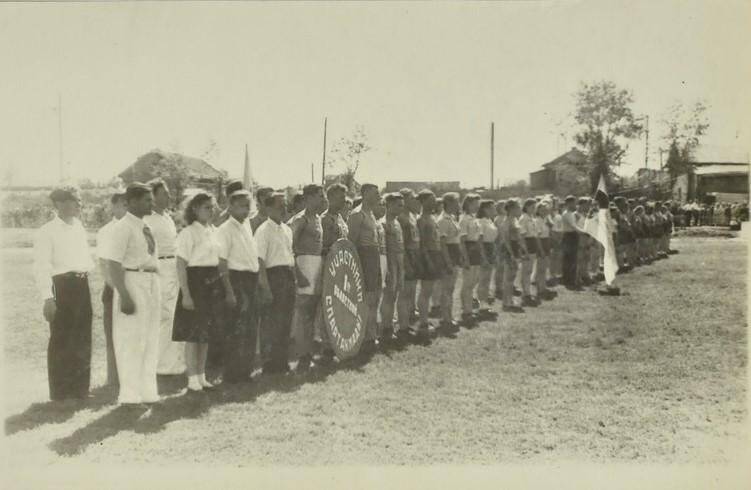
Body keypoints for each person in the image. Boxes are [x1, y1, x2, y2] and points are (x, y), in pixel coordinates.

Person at [101, 183, 161, 405]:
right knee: (132, 340)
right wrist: (125, 295)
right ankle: (129, 395)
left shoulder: (146, 227)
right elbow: (113, 265)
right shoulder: (123, 227)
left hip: (151, 281)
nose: (151, 203)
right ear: (132, 202)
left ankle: (148, 392)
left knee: (150, 338)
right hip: (132, 281)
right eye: (147, 200)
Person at [33, 186, 95, 402]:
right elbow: (41, 266)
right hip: (61, 286)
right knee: (62, 338)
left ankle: (80, 389)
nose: (79, 204)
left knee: (82, 337)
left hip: (81, 285)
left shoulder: (78, 227)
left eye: (79, 200)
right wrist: (47, 297)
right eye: (74, 200)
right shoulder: (47, 231)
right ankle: (60, 393)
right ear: (59, 203)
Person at [172, 192, 223, 392]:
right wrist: (186, 294)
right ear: (195, 209)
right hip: (195, 282)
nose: (211, 212)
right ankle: (192, 377)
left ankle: (202, 376)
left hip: (212, 281)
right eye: (206, 208)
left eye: (212, 208)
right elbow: (181, 264)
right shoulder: (188, 233)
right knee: (193, 334)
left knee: (206, 333)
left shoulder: (213, 231)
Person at [216, 190, 260, 383]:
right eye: (242, 206)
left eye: (247, 206)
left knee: (250, 327)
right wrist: (229, 290)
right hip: (236, 279)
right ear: (231, 206)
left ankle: (245, 371)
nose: (245, 210)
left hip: (250, 279)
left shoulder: (246, 226)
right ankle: (233, 373)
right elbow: (222, 261)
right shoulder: (225, 229)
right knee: (236, 328)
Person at [143, 179, 185, 377]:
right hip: (159, 267)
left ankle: (174, 362)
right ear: (153, 196)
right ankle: (161, 365)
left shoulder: (167, 217)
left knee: (173, 315)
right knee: (164, 316)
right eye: (164, 193)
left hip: (173, 266)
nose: (168, 196)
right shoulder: (147, 220)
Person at [255, 193, 296, 374]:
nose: (284, 209)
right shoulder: (263, 231)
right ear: (269, 208)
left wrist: (294, 277)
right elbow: (260, 261)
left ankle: (282, 361)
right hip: (272, 277)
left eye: (285, 205)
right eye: (280, 206)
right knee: (271, 321)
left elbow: (290, 256)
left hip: (287, 276)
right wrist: (265, 287)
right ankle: (269, 363)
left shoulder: (287, 230)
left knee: (286, 321)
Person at [289, 184, 325, 373]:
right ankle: (302, 356)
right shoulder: (300, 219)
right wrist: (298, 274)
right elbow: (289, 248)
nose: (322, 198)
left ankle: (309, 353)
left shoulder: (317, 218)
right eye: (319, 195)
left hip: (316, 266)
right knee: (303, 314)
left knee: (312, 313)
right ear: (309, 197)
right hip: (303, 266)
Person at [96, 190, 127, 386]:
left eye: (128, 204)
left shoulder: (136, 227)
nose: (126, 209)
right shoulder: (107, 231)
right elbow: (104, 263)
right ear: (113, 207)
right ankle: (114, 377)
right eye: (122, 205)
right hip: (114, 288)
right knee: (114, 333)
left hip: (133, 286)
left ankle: (130, 375)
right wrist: (116, 288)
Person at [347, 183, 382, 355]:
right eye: (375, 193)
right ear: (365, 193)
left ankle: (371, 334)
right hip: (364, 256)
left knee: (374, 297)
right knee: (366, 298)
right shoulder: (357, 214)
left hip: (374, 256)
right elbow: (351, 243)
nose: (378, 196)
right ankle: (363, 337)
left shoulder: (371, 213)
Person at [319, 183, 350, 360]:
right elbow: (323, 246)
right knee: (328, 306)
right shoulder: (324, 219)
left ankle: (337, 341)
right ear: (330, 198)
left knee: (340, 304)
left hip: (342, 267)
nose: (343, 201)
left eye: (344, 198)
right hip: (328, 266)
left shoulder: (341, 219)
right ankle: (326, 346)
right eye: (339, 197)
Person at [416, 190, 444, 335]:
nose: (435, 202)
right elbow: (422, 244)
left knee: (431, 290)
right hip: (428, 256)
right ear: (424, 201)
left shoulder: (432, 218)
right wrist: (428, 261)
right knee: (425, 291)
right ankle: (423, 323)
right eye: (432, 200)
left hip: (435, 254)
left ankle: (425, 319)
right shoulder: (421, 220)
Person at [379, 193, 406, 344]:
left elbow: (400, 248)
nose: (400, 208)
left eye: (402, 205)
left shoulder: (397, 223)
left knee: (394, 296)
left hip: (398, 262)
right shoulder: (382, 223)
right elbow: (383, 250)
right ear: (388, 205)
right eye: (398, 205)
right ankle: (385, 328)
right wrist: (387, 269)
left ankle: (389, 326)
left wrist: (401, 268)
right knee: (387, 297)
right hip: (388, 263)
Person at [397, 188, 421, 337]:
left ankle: (409, 317)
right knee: (404, 293)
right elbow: (403, 244)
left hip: (414, 255)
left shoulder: (412, 216)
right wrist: (406, 263)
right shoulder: (401, 218)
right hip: (407, 256)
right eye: (412, 198)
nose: (415, 201)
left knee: (412, 290)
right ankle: (403, 327)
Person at [436, 192, 462, 332]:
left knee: (450, 289)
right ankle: (445, 318)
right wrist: (448, 262)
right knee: (446, 289)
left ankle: (448, 316)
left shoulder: (451, 218)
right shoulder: (443, 220)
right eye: (457, 202)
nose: (458, 205)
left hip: (454, 255)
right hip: (448, 257)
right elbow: (442, 244)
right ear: (450, 203)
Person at [458, 193, 483, 326]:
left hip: (475, 250)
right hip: (468, 249)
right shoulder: (464, 219)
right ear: (467, 204)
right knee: (468, 283)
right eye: (474, 204)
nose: (477, 206)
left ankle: (470, 305)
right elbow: (462, 241)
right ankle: (466, 311)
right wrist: (465, 258)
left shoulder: (475, 218)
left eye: (478, 204)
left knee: (475, 280)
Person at [500, 199, 524, 312]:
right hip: (509, 250)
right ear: (511, 209)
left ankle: (510, 300)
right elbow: (506, 239)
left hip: (515, 248)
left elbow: (518, 237)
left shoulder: (515, 220)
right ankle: (506, 302)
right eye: (517, 207)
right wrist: (511, 254)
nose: (519, 209)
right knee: (508, 277)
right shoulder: (507, 221)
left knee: (513, 277)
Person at [476, 200, 498, 312]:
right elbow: (479, 241)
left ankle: (484, 299)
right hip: (484, 248)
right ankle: (481, 302)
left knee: (488, 277)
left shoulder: (490, 221)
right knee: (483, 278)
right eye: (492, 208)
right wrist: (483, 256)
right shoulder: (481, 221)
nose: (495, 210)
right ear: (485, 209)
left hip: (491, 248)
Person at [518, 198, 540, 307]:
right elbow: (522, 236)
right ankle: (525, 294)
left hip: (532, 244)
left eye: (535, 207)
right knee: (526, 271)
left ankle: (527, 292)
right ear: (526, 207)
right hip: (527, 244)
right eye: (532, 207)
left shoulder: (531, 218)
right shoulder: (524, 218)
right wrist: (525, 250)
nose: (534, 209)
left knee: (529, 270)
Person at [560, 195, 583, 290]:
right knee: (569, 259)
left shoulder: (572, 214)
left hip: (573, 236)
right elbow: (574, 226)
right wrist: (583, 232)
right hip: (569, 236)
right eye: (573, 203)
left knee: (573, 259)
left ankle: (572, 279)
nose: (575, 204)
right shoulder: (566, 214)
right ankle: (568, 279)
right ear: (568, 203)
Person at [535, 200, 555, 300]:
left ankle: (543, 286)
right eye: (542, 210)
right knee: (540, 268)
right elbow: (537, 237)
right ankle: (540, 288)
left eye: (545, 210)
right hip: (541, 243)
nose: (544, 212)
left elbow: (552, 228)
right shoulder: (537, 220)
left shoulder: (546, 219)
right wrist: (541, 249)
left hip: (546, 242)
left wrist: (548, 220)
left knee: (544, 267)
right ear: (538, 211)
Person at [493, 200, 507, 300]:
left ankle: (504, 285)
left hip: (506, 245)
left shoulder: (507, 218)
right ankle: (498, 287)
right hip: (500, 245)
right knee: (500, 267)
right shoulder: (498, 219)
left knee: (506, 267)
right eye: (502, 207)